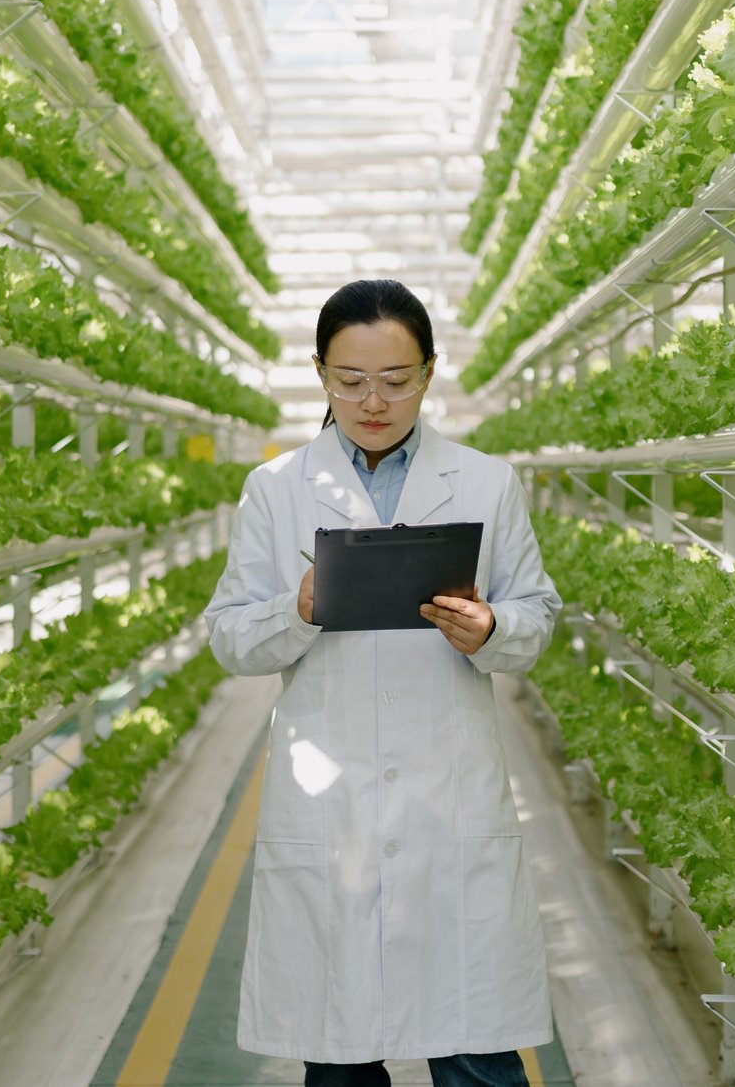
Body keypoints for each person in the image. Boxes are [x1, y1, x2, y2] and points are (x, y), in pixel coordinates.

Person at [204, 279, 562, 1087]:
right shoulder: (276, 489)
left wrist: (492, 629)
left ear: (429, 374)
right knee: (340, 1059)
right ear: (320, 374)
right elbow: (229, 637)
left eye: (396, 380)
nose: (373, 400)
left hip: (448, 798)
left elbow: (537, 613)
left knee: (477, 1056)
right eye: (350, 380)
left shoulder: (485, 483)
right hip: (331, 806)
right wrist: (293, 610)